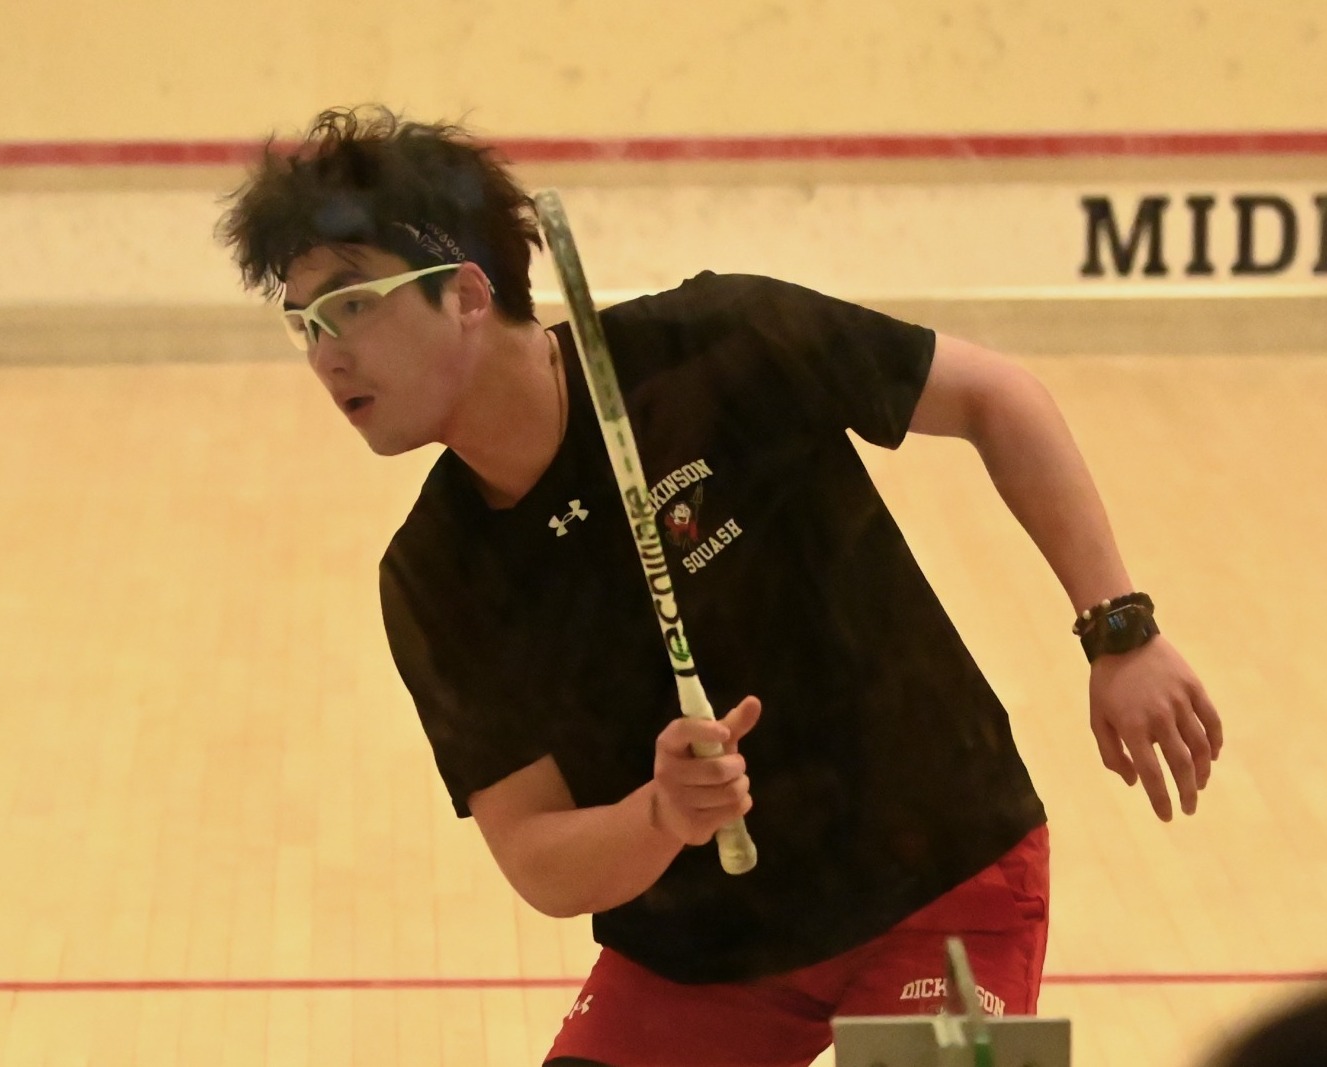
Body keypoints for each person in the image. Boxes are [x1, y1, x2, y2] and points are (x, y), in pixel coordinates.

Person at [216, 105, 1226, 1067]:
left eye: (351, 303)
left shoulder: (726, 342)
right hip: (697, 952)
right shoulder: (434, 572)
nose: (325, 353)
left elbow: (997, 396)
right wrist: (659, 815)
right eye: (304, 323)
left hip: (941, 874)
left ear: (468, 293)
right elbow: (536, 857)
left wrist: (1118, 629)